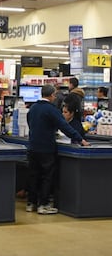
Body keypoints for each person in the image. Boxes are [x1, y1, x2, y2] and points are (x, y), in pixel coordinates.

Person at [26, 85, 89, 215]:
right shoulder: (51, 110)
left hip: (32, 146)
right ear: (52, 95)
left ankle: (31, 203)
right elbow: (64, 126)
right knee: (46, 176)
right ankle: (43, 205)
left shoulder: (32, 108)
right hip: (46, 148)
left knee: (33, 175)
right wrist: (80, 139)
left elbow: (30, 123)